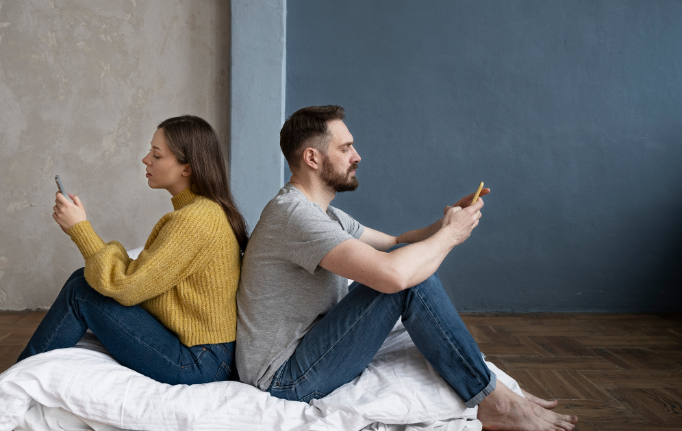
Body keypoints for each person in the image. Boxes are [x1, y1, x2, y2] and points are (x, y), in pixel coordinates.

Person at [235, 105, 579, 431]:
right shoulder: (295, 216)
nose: (357, 157)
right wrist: (451, 237)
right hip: (284, 377)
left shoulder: (324, 214)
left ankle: (492, 391)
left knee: (407, 268)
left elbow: (394, 241)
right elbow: (394, 275)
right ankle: (495, 400)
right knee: (408, 281)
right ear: (312, 157)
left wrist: (444, 224)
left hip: (306, 351)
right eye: (346, 148)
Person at [0, 115, 247, 416]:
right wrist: (84, 230)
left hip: (199, 363)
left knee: (82, 291)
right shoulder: (201, 212)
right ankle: (14, 384)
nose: (145, 159)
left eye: (157, 155)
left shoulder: (195, 220)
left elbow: (126, 286)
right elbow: (142, 277)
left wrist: (81, 229)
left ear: (187, 167)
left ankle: (6, 392)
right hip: (206, 354)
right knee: (82, 279)